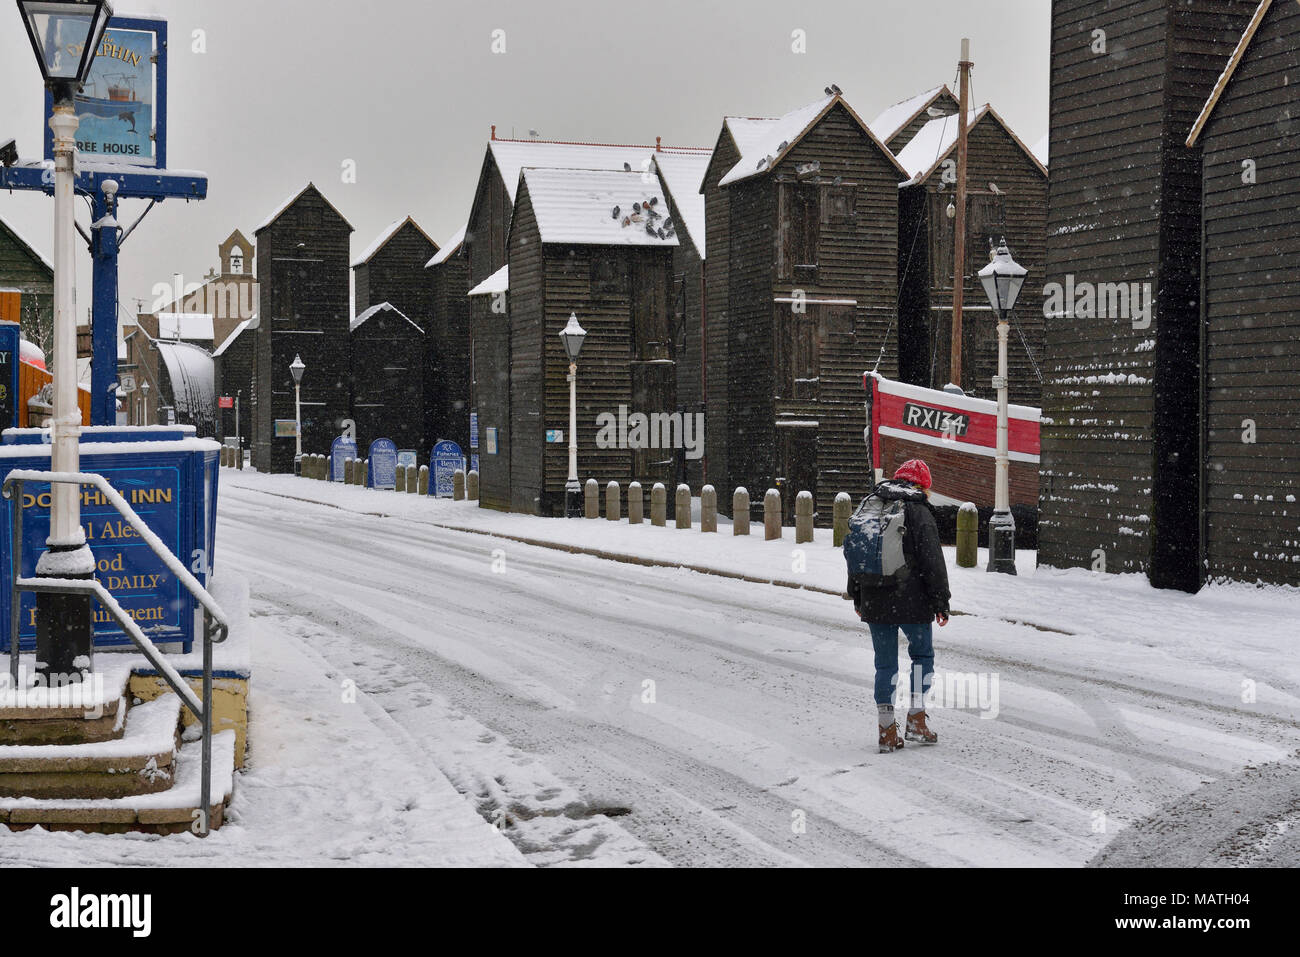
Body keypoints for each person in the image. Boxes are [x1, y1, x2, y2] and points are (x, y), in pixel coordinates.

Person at [847, 459, 951, 754]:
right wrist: (941, 601)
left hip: (874, 596)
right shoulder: (918, 510)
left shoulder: (871, 504)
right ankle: (916, 720)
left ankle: (886, 730)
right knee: (922, 656)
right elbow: (933, 561)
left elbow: (855, 552)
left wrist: (856, 594)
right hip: (912, 597)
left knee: (885, 664)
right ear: (923, 486)